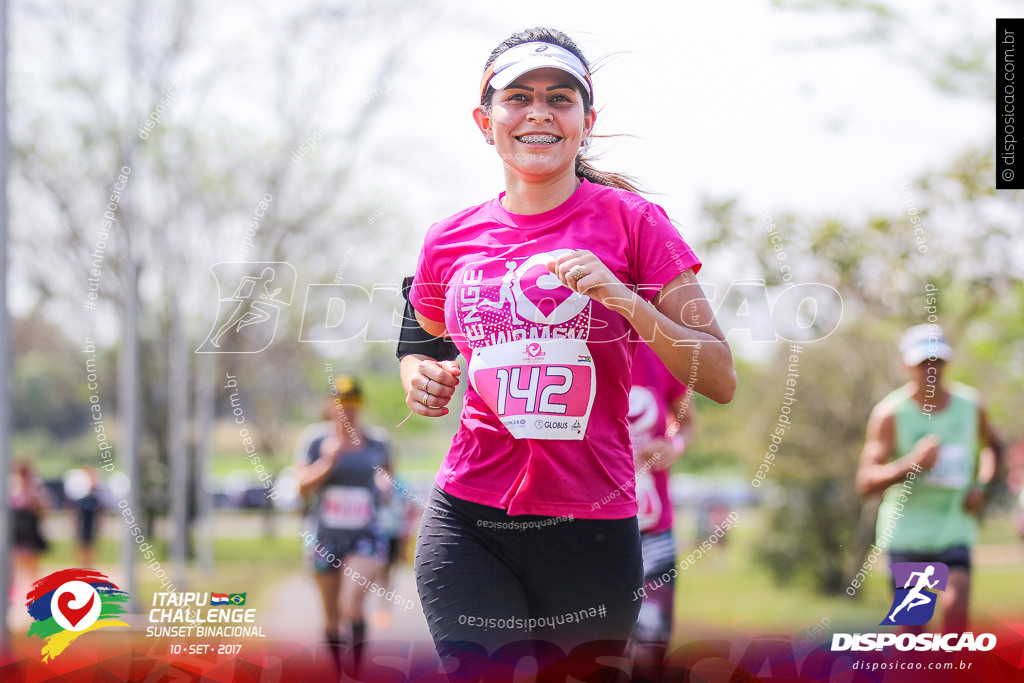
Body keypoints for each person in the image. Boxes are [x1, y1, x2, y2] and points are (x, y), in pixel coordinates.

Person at [399, 27, 736, 668]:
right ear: (485, 120)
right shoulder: (449, 238)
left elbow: (719, 376)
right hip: (469, 518)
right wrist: (419, 373)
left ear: (585, 121)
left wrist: (627, 302)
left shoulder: (635, 224)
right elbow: (419, 335)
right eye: (518, 97)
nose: (538, 112)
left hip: (592, 527)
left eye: (560, 98)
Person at [856, 324, 1004, 633]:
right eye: (923, 362)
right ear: (905, 365)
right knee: (913, 630)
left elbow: (993, 447)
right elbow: (866, 482)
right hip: (907, 532)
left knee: (955, 614)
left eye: (937, 361)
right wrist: (912, 465)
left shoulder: (971, 405)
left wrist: (983, 486)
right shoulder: (889, 414)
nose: (931, 369)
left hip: (953, 528)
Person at [294, 376, 391, 673]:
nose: (346, 409)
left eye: (353, 403)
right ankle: (338, 672)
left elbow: (388, 479)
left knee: (353, 602)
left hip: (365, 534)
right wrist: (327, 463)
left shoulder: (377, 441)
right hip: (325, 536)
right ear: (328, 405)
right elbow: (301, 486)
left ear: (360, 406)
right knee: (332, 615)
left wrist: (385, 485)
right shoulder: (314, 440)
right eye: (340, 403)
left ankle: (356, 672)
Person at [626, 342, 695, 671]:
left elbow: (688, 422)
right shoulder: (574, 345)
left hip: (653, 532)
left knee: (650, 654)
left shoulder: (660, 351)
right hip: (586, 529)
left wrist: (673, 445)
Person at [9, 459, 49, 591]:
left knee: (32, 561)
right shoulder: (12, 485)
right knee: (14, 562)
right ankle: (14, 592)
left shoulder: (35, 486)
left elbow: (44, 507)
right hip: (17, 527)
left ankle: (35, 590)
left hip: (30, 527)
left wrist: (33, 499)